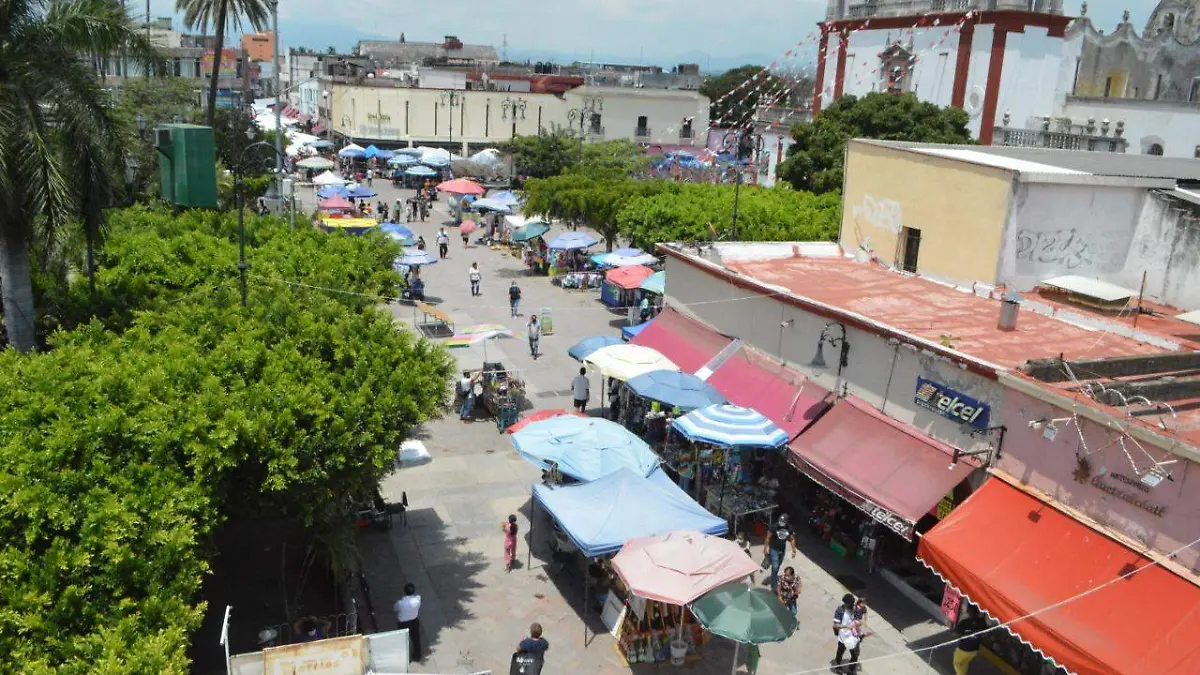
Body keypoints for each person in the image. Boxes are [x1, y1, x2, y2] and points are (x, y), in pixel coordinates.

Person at [762, 513, 797, 591]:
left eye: (783, 521)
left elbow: (792, 539)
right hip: (773, 549)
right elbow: (768, 537)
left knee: (778, 566)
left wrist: (794, 550)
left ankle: (774, 575)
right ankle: (773, 584)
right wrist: (765, 548)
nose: (781, 522)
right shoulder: (774, 527)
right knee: (775, 566)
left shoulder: (790, 528)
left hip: (782, 550)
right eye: (780, 520)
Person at [953, 605, 987, 675]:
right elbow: (984, 634)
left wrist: (952, 628)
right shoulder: (982, 622)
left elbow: (956, 635)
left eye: (968, 610)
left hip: (963, 649)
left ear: (969, 612)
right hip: (974, 651)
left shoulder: (964, 622)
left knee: (957, 663)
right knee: (965, 663)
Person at [832, 594, 860, 674]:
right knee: (840, 652)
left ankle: (851, 670)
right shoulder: (840, 610)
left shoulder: (855, 609)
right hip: (843, 637)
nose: (846, 605)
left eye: (848, 604)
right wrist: (846, 626)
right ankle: (838, 666)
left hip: (853, 637)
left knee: (855, 655)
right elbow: (835, 625)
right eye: (846, 603)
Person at [395, 583, 422, 663]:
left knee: (403, 640)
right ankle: (417, 656)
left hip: (403, 623)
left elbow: (395, 608)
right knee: (416, 639)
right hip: (414, 621)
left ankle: (404, 658)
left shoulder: (401, 603)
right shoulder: (418, 599)